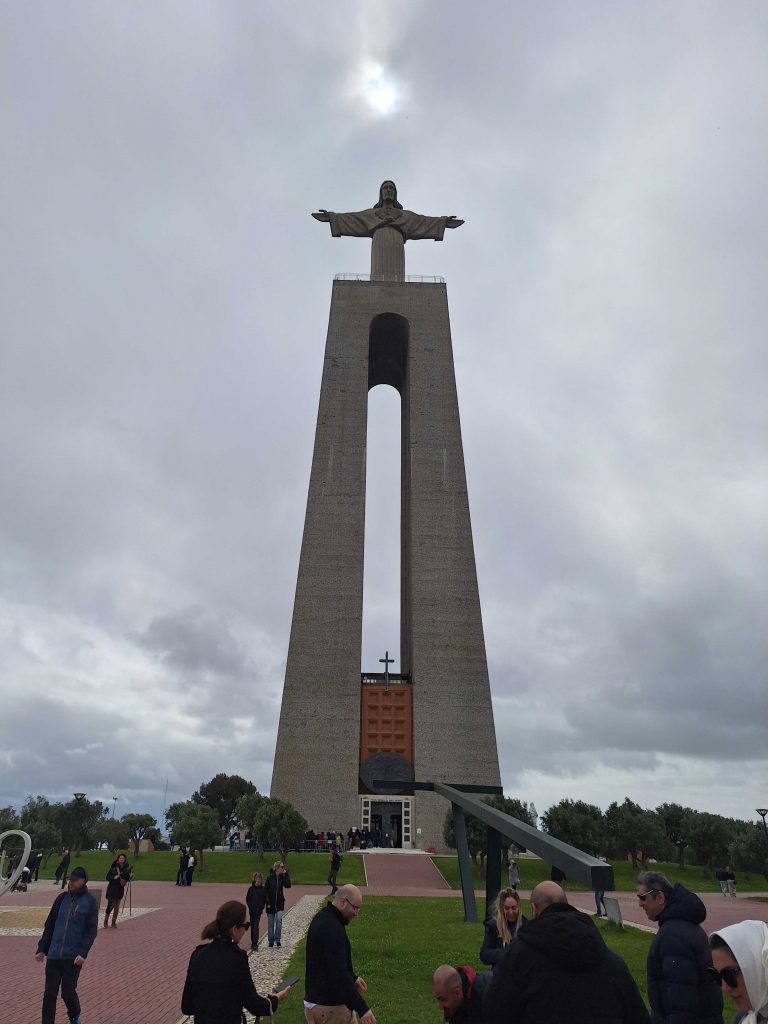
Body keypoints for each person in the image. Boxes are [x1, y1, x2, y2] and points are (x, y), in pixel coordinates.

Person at [485, 881, 649, 1024]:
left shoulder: (517, 958)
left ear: (534, 910)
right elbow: (637, 1016)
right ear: (567, 905)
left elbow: (495, 1012)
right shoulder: (612, 963)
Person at [181, 899, 291, 1024]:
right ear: (234, 929)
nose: (246, 930)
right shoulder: (237, 959)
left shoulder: (197, 955)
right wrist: (276, 998)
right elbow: (255, 1005)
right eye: (246, 926)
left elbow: (187, 1006)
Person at [636, 870, 723, 1024]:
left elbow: (681, 1000)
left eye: (643, 897)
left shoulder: (673, 936)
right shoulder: (684, 925)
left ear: (660, 897)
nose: (640, 904)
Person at [304, 884, 376, 1024]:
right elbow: (339, 974)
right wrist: (363, 1009)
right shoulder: (332, 928)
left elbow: (328, 961)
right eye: (355, 908)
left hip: (317, 1001)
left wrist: (353, 977)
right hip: (329, 1007)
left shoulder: (323, 917)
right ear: (343, 902)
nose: (356, 913)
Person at [36, 865, 98, 1024]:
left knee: (67, 992)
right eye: (71, 879)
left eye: (75, 880)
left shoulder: (90, 901)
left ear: (83, 881)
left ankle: (74, 1016)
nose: (71, 882)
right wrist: (42, 948)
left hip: (73, 956)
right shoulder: (61, 899)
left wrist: (83, 953)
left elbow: (91, 931)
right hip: (55, 954)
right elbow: (50, 924)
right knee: (49, 993)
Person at [709, 920, 768, 1024]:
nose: (724, 987)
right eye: (717, 976)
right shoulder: (744, 1019)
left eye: (729, 974)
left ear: (757, 966)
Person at [480, 887, 526, 968]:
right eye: (507, 908)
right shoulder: (493, 926)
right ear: (501, 908)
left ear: (519, 907)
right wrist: (506, 953)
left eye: (514, 908)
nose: (511, 912)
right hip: (500, 973)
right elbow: (484, 955)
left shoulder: (526, 925)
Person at [265, 860, 292, 948]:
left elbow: (288, 885)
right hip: (270, 904)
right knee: (270, 924)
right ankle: (271, 941)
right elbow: (266, 891)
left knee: (279, 920)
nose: (283, 868)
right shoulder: (269, 878)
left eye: (283, 867)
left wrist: (286, 874)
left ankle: (277, 939)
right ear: (277, 868)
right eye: (281, 867)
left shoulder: (282, 877)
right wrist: (267, 902)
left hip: (280, 903)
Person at [104, 853, 132, 928]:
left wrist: (130, 877)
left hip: (120, 890)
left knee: (117, 907)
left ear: (125, 859)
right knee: (110, 905)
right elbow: (107, 877)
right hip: (112, 889)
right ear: (118, 859)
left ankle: (113, 922)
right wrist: (114, 877)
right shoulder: (113, 868)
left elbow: (126, 879)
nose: (122, 859)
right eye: (120, 858)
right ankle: (105, 921)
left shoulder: (126, 869)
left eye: (123, 858)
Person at [246, 871, 267, 951]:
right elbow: (247, 899)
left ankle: (255, 943)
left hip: (258, 911)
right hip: (252, 911)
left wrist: (261, 907)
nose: (258, 881)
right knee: (252, 927)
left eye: (260, 879)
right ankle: (252, 942)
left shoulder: (263, 889)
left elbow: (264, 899)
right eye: (257, 879)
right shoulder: (251, 889)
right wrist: (250, 907)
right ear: (254, 879)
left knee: (256, 927)